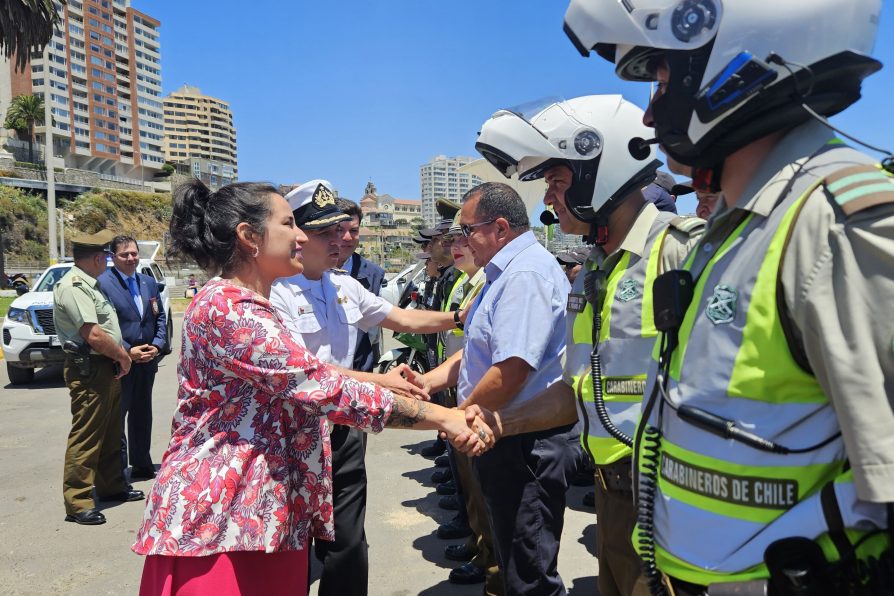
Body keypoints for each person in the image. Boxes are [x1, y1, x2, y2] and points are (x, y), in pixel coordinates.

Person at [562, 1, 893, 594]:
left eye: (663, 79)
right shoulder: (737, 231)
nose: (648, 114)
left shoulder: (836, 225)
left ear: (740, 64)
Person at [133, 180, 491, 596]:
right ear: (250, 238)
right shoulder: (229, 310)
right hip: (221, 518)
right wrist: (442, 417)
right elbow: (322, 386)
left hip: (260, 509)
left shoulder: (254, 304)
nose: (302, 236)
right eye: (289, 224)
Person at [468, 94, 703, 596]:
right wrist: (493, 424)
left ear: (601, 169)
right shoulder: (590, 274)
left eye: (556, 182)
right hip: (611, 495)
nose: (548, 199)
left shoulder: (685, 252)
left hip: (671, 499)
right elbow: (575, 391)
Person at [268, 180, 469, 596]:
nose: (341, 239)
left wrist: (462, 317)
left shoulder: (342, 285)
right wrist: (385, 382)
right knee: (292, 538)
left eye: (342, 229)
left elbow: (402, 319)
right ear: (298, 237)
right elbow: (309, 373)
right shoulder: (274, 293)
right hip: (295, 433)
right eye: (327, 232)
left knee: (348, 538)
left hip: (342, 426)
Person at [423, 182, 578, 595]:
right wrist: (431, 382)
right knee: (512, 561)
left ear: (500, 228)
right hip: (502, 431)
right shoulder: (503, 272)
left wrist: (458, 415)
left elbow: (511, 368)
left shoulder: (524, 274)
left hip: (523, 442)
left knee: (529, 573)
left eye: (468, 230)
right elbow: (479, 346)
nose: (463, 240)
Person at [53, 230, 142, 526]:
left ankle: (112, 486)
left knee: (110, 430)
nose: (107, 260)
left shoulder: (90, 284)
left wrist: (116, 357)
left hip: (104, 367)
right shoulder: (75, 285)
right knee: (88, 434)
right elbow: (92, 334)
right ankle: (78, 502)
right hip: (89, 368)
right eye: (105, 256)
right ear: (95, 258)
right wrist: (122, 355)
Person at [99, 235, 167, 481]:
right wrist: (127, 350)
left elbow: (160, 318)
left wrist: (157, 346)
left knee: (142, 413)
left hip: (147, 361)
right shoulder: (103, 283)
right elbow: (104, 325)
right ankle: (118, 472)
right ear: (113, 257)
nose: (130, 258)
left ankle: (142, 463)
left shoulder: (148, 282)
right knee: (118, 416)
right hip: (120, 362)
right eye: (124, 254)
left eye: (134, 253)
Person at [335, 198, 385, 373]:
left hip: (361, 370)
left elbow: (378, 324)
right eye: (339, 230)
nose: (347, 238)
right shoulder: (305, 270)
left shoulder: (374, 274)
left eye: (354, 231)